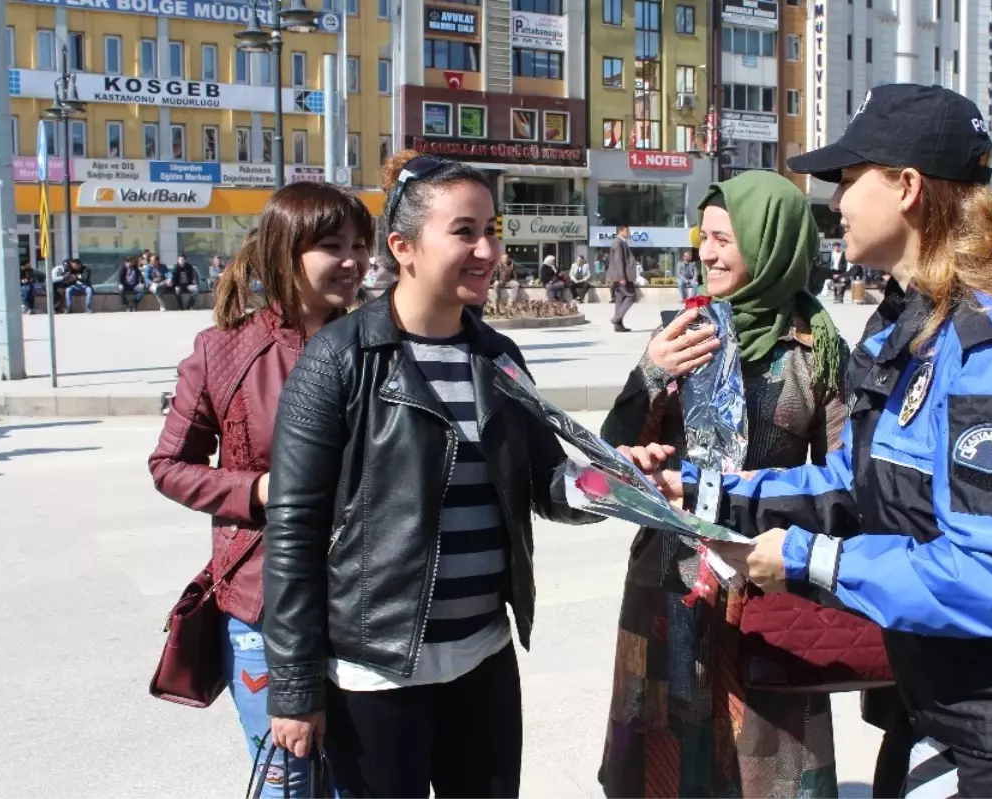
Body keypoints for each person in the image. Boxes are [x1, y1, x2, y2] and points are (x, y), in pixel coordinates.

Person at [632, 84, 992, 798]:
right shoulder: (915, 327)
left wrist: (809, 561)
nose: (835, 201)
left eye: (847, 177)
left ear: (906, 187)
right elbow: (855, 482)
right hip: (950, 706)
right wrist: (708, 489)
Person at [261, 151, 599, 798]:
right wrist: (296, 687)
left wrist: (616, 485)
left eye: (492, 230)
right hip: (376, 671)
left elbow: (546, 481)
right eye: (464, 231)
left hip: (483, 656)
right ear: (403, 247)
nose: (486, 249)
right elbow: (294, 530)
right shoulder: (340, 360)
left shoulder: (498, 356)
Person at [598, 171, 854, 798]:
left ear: (771, 245)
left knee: (767, 763)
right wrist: (650, 375)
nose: (706, 254)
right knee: (666, 753)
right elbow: (610, 458)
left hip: (768, 579)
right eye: (703, 239)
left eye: (722, 239)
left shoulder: (816, 348)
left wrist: (763, 489)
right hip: (671, 581)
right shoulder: (686, 334)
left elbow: (849, 483)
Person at [149, 181, 374, 798]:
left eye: (360, 244)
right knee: (288, 779)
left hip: (367, 604)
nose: (352, 261)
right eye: (332, 245)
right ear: (284, 252)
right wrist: (260, 490)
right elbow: (170, 464)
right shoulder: (223, 351)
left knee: (362, 778)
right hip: (259, 605)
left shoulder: (381, 344)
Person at [608, 224, 638, 332]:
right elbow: (618, 261)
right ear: (620, 231)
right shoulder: (618, 242)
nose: (628, 233)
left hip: (621, 276)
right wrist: (622, 277)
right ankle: (616, 319)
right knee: (631, 296)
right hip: (621, 276)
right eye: (627, 231)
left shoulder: (621, 242)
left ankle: (618, 326)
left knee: (620, 299)